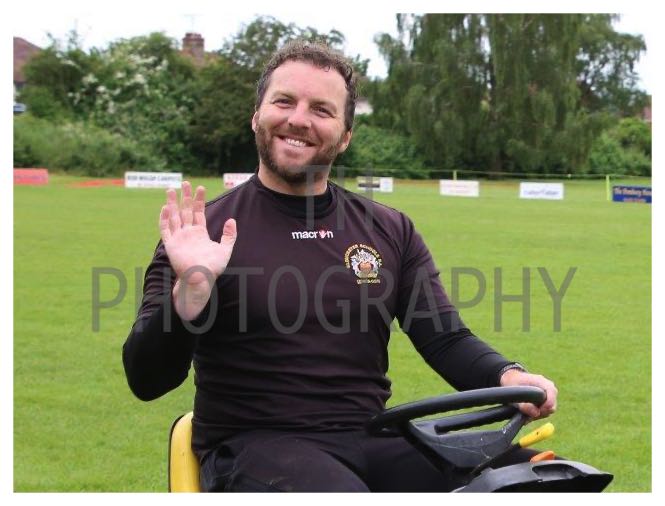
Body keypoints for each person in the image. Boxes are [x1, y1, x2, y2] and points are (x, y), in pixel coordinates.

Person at [122, 40, 557, 492]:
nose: (299, 119)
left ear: (345, 135)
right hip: (253, 449)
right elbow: (146, 379)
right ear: (256, 116)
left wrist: (508, 374)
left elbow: (445, 337)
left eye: (321, 109)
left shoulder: (389, 228)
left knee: (550, 480)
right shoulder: (199, 234)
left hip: (373, 440)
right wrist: (191, 291)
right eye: (284, 101)